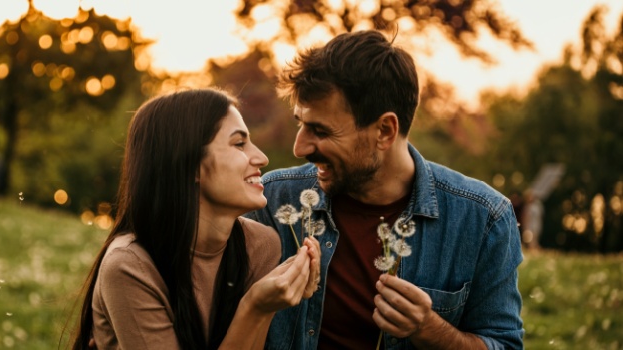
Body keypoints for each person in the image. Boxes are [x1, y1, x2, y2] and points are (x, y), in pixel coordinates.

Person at [245, 30, 524, 349]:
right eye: (301, 123)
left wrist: (431, 330)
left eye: (320, 130)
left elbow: (504, 343)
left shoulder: (483, 219)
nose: (300, 147)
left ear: (385, 130)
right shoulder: (270, 201)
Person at [69, 88, 321, 349]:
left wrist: (266, 306)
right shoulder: (131, 266)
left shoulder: (261, 246)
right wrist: (255, 307)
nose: (261, 157)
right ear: (189, 164)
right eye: (239, 143)